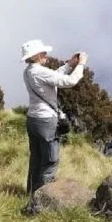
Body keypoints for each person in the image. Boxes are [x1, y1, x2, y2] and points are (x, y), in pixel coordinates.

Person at [20, 39, 87, 197]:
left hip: (33, 119)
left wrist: (69, 65)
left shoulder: (28, 71)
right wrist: (80, 65)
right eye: (43, 53)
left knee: (36, 159)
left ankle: (31, 194)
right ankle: (42, 200)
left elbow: (53, 76)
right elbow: (69, 81)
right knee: (50, 160)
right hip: (46, 122)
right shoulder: (39, 72)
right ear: (36, 55)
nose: (46, 55)